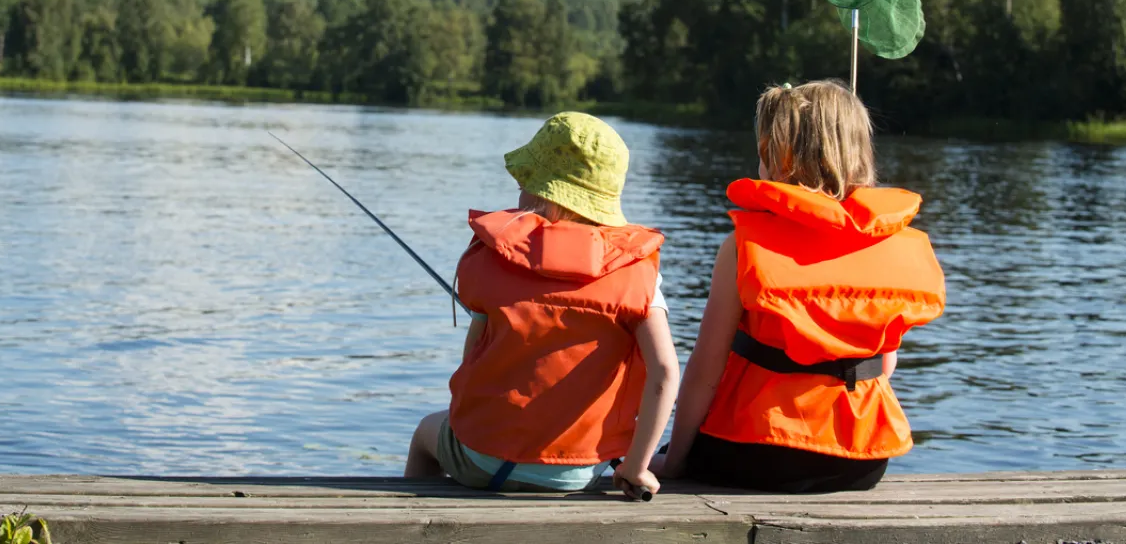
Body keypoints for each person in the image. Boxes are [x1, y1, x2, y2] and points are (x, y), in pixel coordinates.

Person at [652, 80, 946, 493]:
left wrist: (676, 458)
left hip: (757, 448)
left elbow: (706, 370)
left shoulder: (745, 246)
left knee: (651, 456)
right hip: (861, 460)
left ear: (774, 156)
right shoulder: (895, 244)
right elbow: (885, 366)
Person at [404, 112, 680, 500]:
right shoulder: (637, 272)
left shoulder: (491, 255)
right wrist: (635, 466)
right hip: (576, 470)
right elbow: (665, 371)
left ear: (539, 190)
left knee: (423, 434)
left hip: (478, 460)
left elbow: (472, 358)